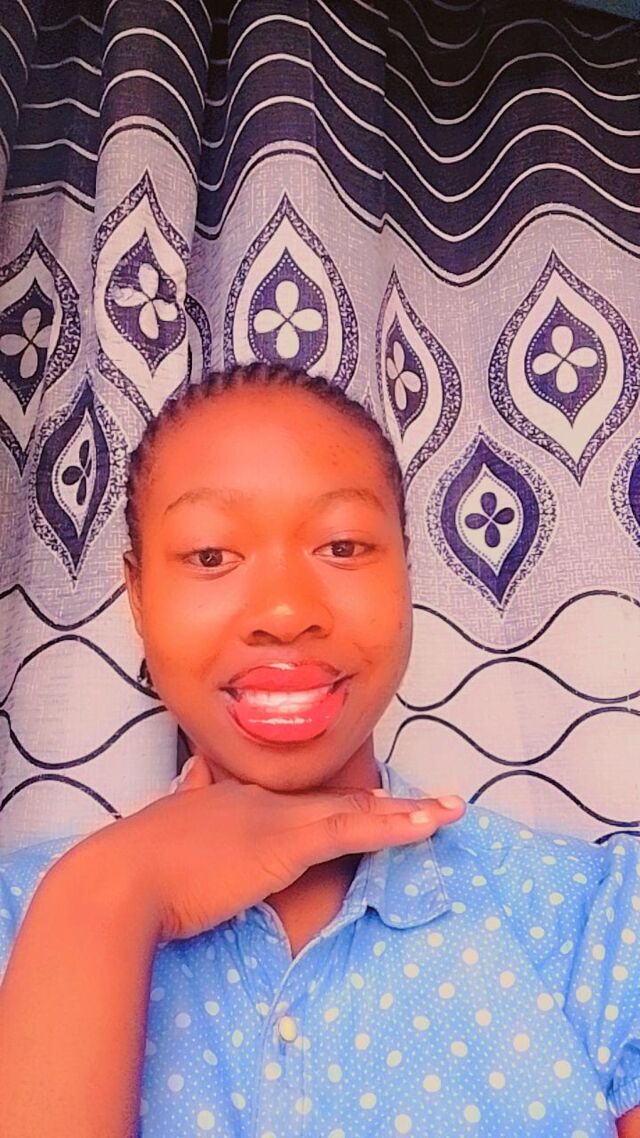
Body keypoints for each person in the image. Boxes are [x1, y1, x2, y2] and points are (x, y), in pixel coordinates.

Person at [0, 361, 639, 1138]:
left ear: (405, 571)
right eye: (212, 556)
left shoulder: (596, 921)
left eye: (342, 545)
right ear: (137, 595)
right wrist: (107, 894)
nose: (284, 611)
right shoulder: (18, 919)